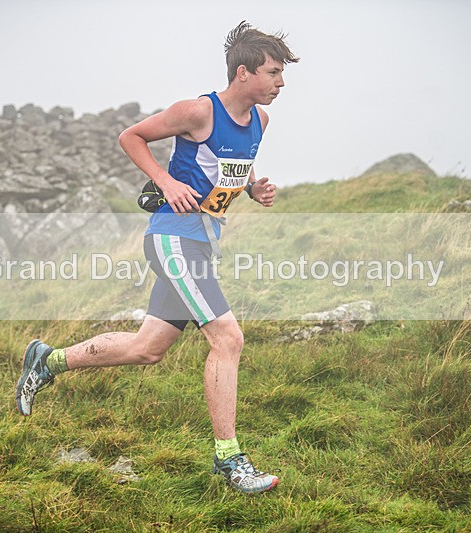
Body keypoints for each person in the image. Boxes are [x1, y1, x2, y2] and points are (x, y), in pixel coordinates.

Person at [15, 21, 299, 494]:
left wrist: (253, 187)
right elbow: (131, 136)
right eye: (273, 72)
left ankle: (47, 361)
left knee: (147, 348)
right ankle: (229, 460)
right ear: (243, 73)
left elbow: (229, 166)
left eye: (282, 74)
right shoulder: (198, 111)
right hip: (172, 238)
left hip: (201, 243)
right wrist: (165, 181)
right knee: (228, 338)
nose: (281, 83)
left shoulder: (260, 122)